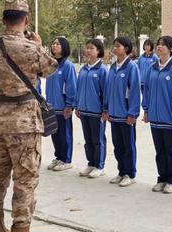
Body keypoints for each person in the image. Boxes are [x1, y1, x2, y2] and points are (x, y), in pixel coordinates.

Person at [0, 0, 58, 232]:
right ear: (26, 21)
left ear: (3, 20)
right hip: (24, 123)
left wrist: (2, 91)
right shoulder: (31, 49)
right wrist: (39, 45)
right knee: (25, 179)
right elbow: (51, 68)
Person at [142, 36, 172, 194]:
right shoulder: (152, 68)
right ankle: (162, 178)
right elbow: (146, 90)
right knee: (159, 150)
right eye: (158, 45)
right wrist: (146, 110)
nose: (159, 47)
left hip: (170, 118)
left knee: (170, 150)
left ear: (171, 48)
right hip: (155, 117)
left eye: (163, 45)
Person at [103, 36, 141, 187]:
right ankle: (121, 171)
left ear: (126, 48)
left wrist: (132, 113)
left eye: (118, 46)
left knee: (128, 146)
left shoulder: (132, 67)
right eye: (114, 46)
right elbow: (108, 90)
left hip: (126, 115)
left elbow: (134, 92)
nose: (115, 48)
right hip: (114, 114)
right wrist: (106, 109)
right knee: (118, 146)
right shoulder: (112, 67)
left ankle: (130, 174)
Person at [75, 38, 108, 178]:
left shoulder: (102, 70)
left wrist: (105, 109)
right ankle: (91, 163)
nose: (88, 51)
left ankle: (99, 165)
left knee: (97, 139)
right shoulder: (83, 69)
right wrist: (77, 106)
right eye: (87, 48)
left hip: (97, 111)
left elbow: (106, 91)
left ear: (98, 51)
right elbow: (79, 89)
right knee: (88, 139)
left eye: (91, 48)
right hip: (84, 110)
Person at [45, 37, 77, 172]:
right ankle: (58, 157)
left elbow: (71, 87)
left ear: (64, 47)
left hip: (63, 106)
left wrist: (69, 105)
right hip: (51, 106)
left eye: (57, 44)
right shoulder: (50, 64)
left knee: (65, 134)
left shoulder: (67, 66)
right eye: (53, 43)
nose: (54, 46)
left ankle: (66, 159)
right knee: (55, 133)